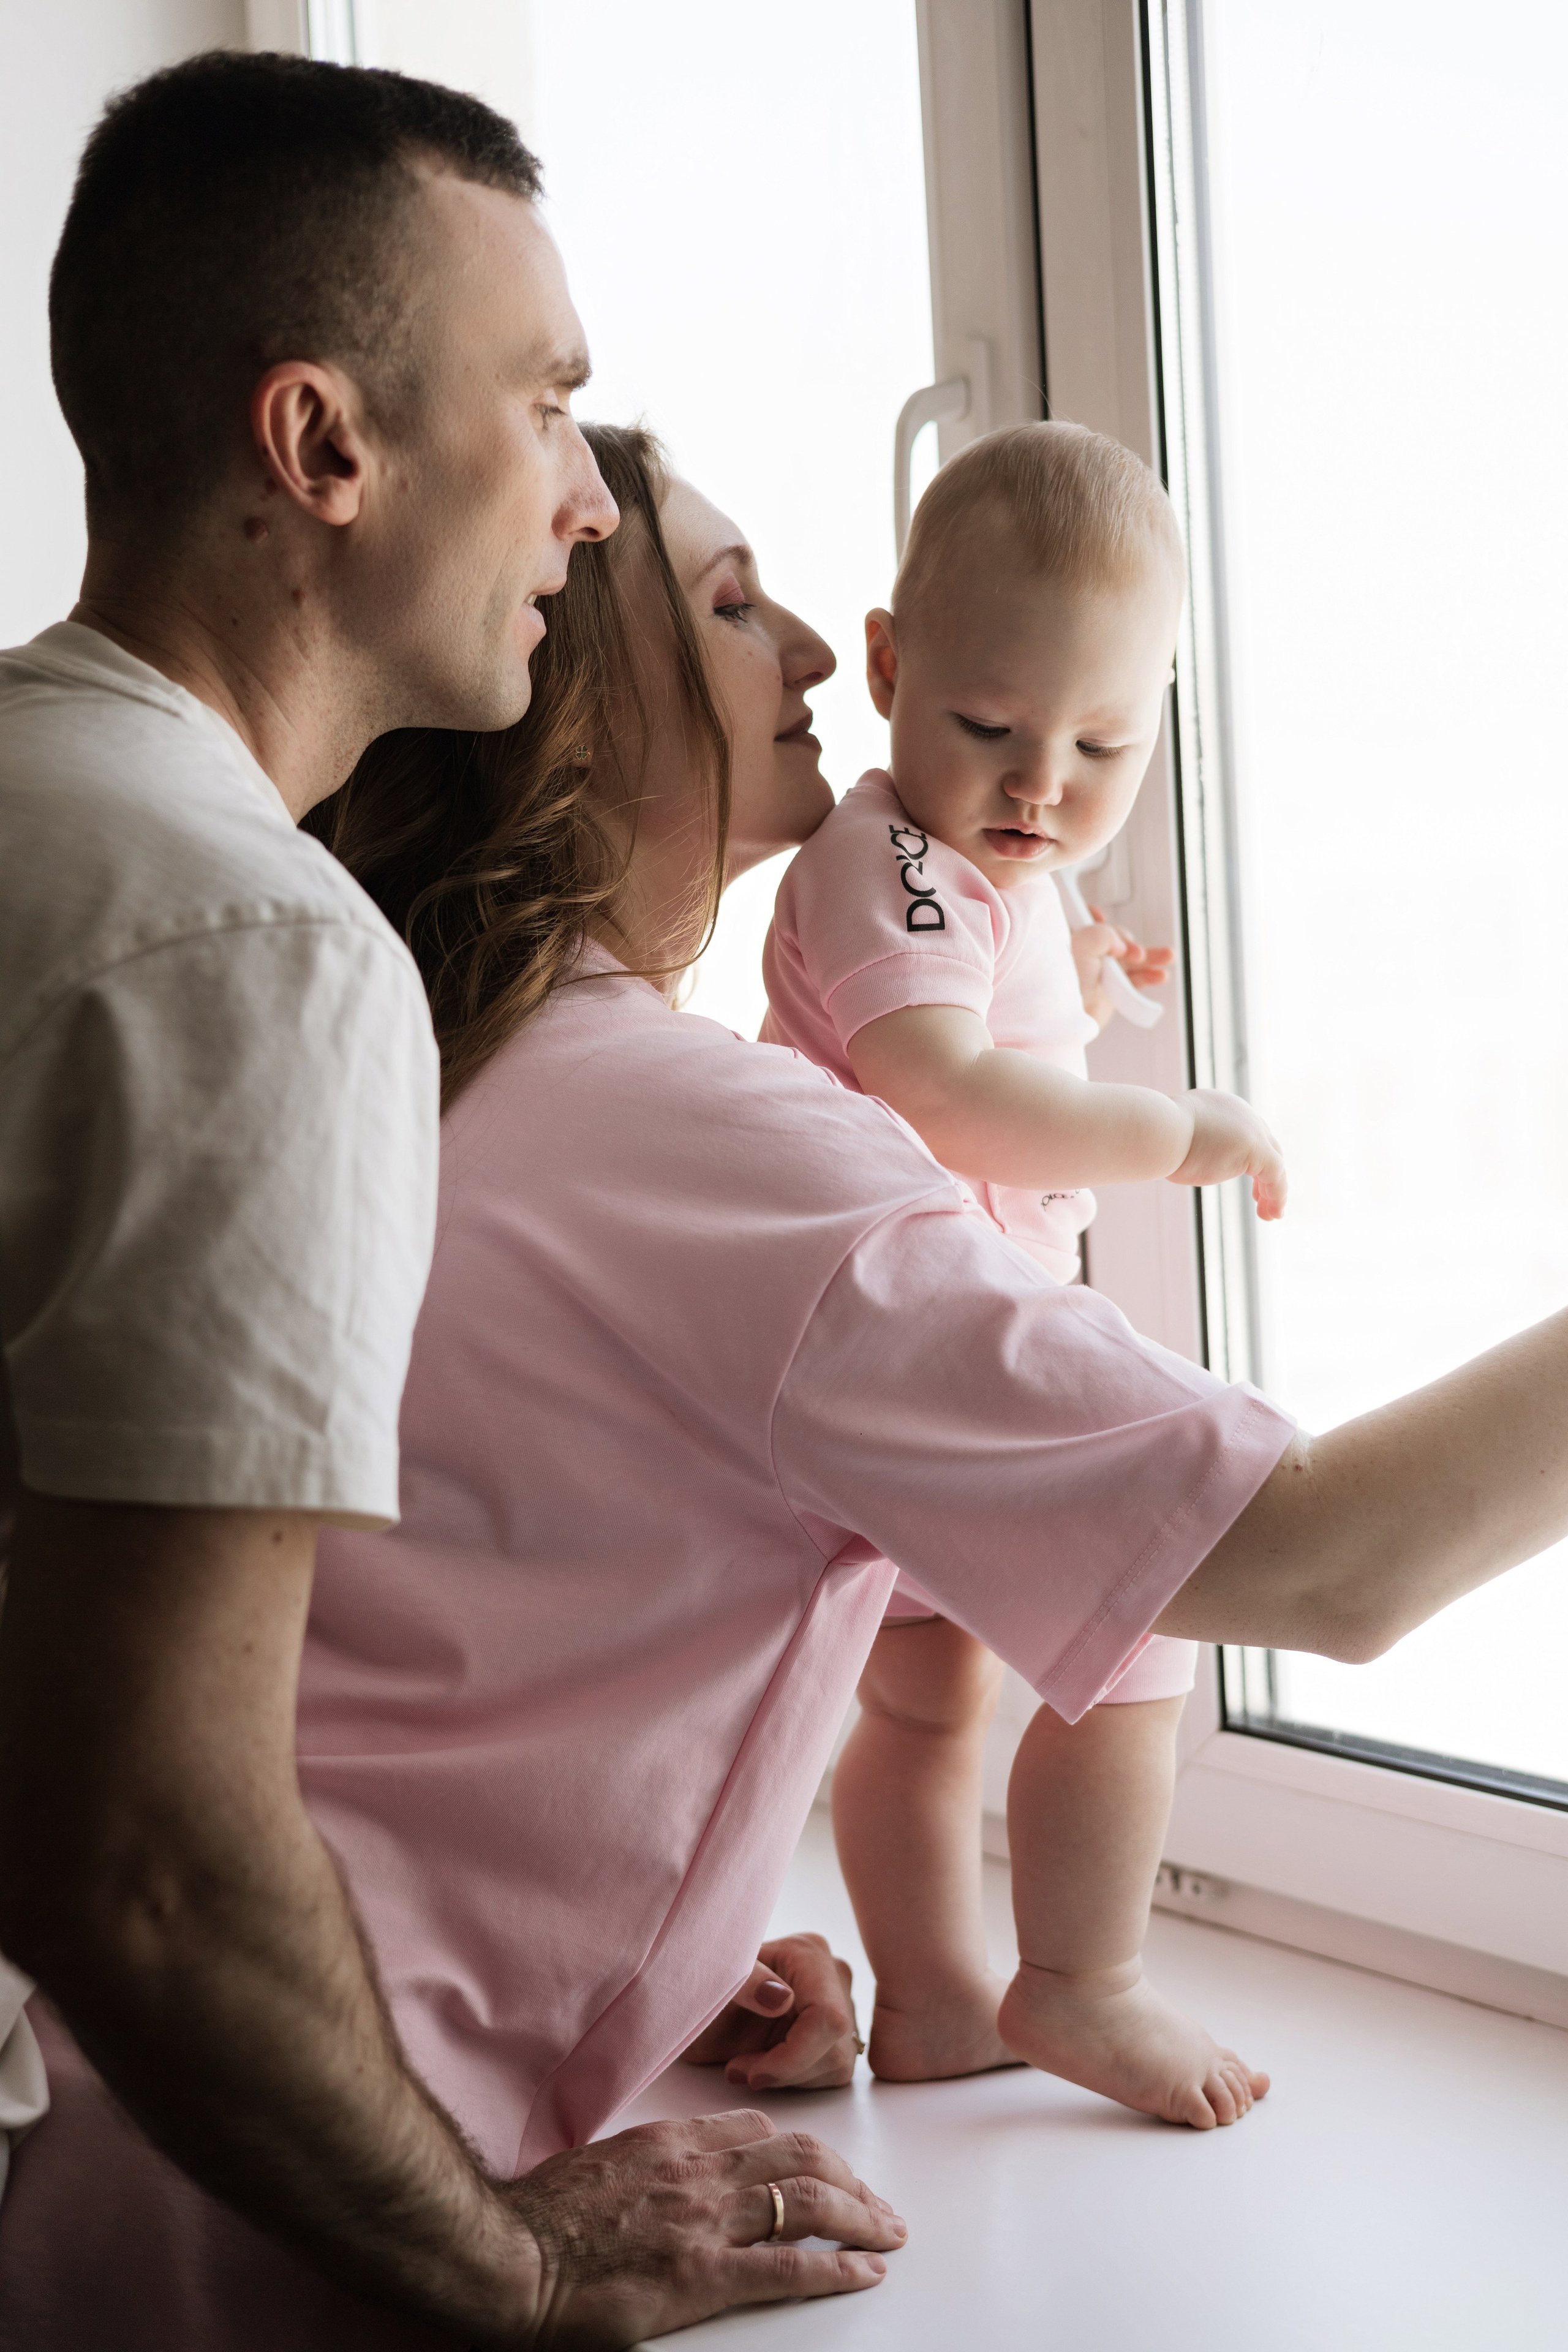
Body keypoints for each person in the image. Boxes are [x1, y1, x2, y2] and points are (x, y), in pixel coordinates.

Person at [18, 418, 1568, 2345]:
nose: (821, 659)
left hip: (155, 2119)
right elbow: (1330, 1565)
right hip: (300, 2215)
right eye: (735, 608)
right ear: (567, 687)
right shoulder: (719, 1150)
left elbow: (419, 1653)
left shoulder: (436, 1050)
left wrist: (684, 1950)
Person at [0, 56, 892, 2352]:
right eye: (550, 405)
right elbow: (156, 1871)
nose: (587, 503)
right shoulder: (253, 955)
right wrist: (499, 2259)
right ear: (322, 449)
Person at [762, 420, 1283, 2127]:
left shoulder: (975, 864)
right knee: (1144, 1619)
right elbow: (948, 1082)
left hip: (888, 1364)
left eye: (1103, 746)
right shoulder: (898, 867)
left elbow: (998, 968)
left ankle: (932, 2007)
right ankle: (1080, 1980)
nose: (1042, 786)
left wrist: (1080, 952)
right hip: (929, 1342)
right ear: (891, 665)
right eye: (989, 729)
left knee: (919, 1709)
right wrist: (1178, 1127)